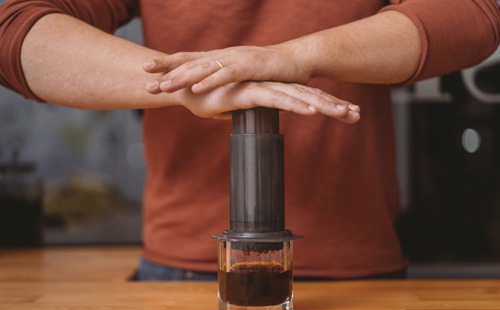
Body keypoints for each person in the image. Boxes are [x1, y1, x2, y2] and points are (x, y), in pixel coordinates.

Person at [0, 0, 499, 281]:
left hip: (357, 267)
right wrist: (187, 85)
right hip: (183, 270)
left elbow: (475, 13)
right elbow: (16, 28)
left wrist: (299, 55)